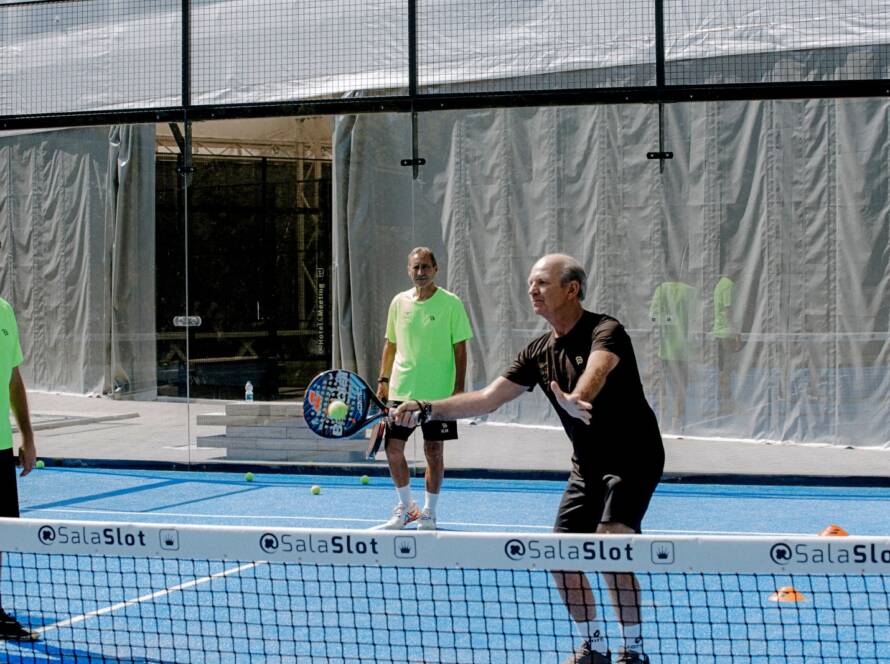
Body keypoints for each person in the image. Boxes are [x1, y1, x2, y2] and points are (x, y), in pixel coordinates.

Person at [391, 254, 663, 664]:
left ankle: (634, 650)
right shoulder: (538, 352)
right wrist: (427, 407)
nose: (532, 290)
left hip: (633, 457)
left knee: (611, 546)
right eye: (530, 283)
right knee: (559, 555)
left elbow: (599, 368)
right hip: (587, 464)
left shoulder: (606, 330)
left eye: (541, 283)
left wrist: (578, 399)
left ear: (571, 289)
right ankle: (595, 646)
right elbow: (486, 399)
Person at [375, 247, 473, 530]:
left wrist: (458, 390)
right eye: (416, 268)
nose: (421, 273)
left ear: (436, 269)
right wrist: (383, 381)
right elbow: (390, 344)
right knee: (393, 450)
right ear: (409, 270)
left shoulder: (451, 303)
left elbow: (460, 348)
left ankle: (429, 512)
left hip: (438, 396)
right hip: (400, 391)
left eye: (426, 267)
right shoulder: (398, 302)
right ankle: (407, 508)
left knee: (434, 451)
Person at [0, 296, 38, 641]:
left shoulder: (5, 311)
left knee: (1, 534)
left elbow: (13, 379)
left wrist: (27, 435)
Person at [648, 276, 697, 431]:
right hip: (685, 350)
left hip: (665, 349)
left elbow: (653, 317)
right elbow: (697, 319)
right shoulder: (691, 292)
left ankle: (663, 419)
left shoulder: (661, 290)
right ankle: (678, 420)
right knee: (681, 386)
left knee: (663, 385)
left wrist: (669, 320)